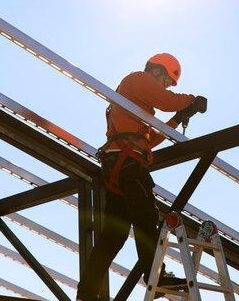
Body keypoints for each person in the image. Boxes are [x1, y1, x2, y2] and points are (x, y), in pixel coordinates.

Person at [76, 53, 207, 301]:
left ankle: (86, 294)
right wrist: (191, 100)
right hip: (128, 167)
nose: (166, 86)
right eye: (167, 80)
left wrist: (179, 118)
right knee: (146, 218)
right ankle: (154, 276)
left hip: (120, 165)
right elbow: (167, 100)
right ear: (156, 71)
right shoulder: (138, 79)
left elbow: (150, 140)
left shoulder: (136, 103)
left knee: (114, 235)